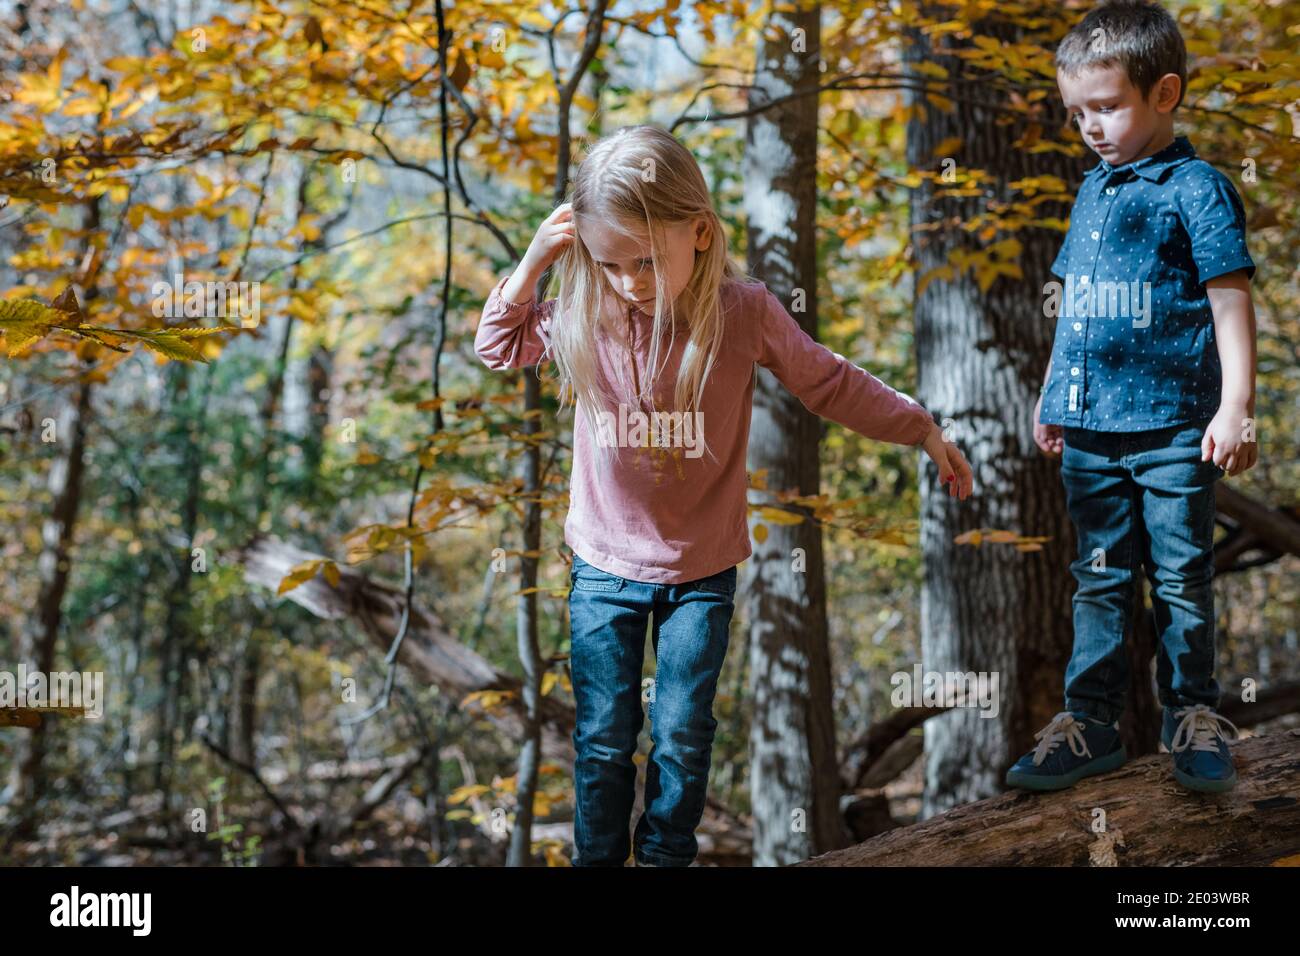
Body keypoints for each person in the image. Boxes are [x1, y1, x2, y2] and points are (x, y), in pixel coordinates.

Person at [475, 124, 973, 864]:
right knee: (605, 736)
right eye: (608, 263)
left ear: (700, 232)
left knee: (681, 729)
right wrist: (536, 260)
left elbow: (827, 380)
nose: (630, 283)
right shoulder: (587, 309)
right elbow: (497, 346)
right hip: (602, 569)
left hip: (700, 572)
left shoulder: (741, 312)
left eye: (647, 261)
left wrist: (921, 429)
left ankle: (668, 856)